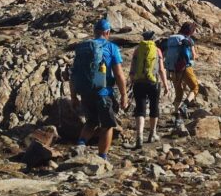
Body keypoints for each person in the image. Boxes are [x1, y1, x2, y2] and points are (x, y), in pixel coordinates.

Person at [70, 17, 128, 160]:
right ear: (107, 32)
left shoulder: (83, 47)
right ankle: (103, 157)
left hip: (86, 92)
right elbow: (119, 74)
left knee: (91, 122)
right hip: (103, 92)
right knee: (107, 125)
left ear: (95, 32)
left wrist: (73, 96)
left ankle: (80, 145)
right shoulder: (111, 47)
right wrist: (124, 94)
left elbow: (74, 74)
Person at [128, 30, 168, 148]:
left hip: (139, 83)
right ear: (153, 39)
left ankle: (139, 136)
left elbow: (132, 69)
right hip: (153, 83)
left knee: (140, 109)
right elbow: (161, 69)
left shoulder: (137, 50)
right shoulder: (157, 50)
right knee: (154, 107)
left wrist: (132, 80)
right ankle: (152, 134)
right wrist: (166, 85)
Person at [162, 22, 199, 129]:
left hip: (173, 69)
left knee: (179, 92)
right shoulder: (188, 40)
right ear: (190, 31)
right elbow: (193, 56)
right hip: (185, 68)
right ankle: (184, 106)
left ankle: (177, 117)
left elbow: (164, 54)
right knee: (195, 87)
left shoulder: (171, 39)